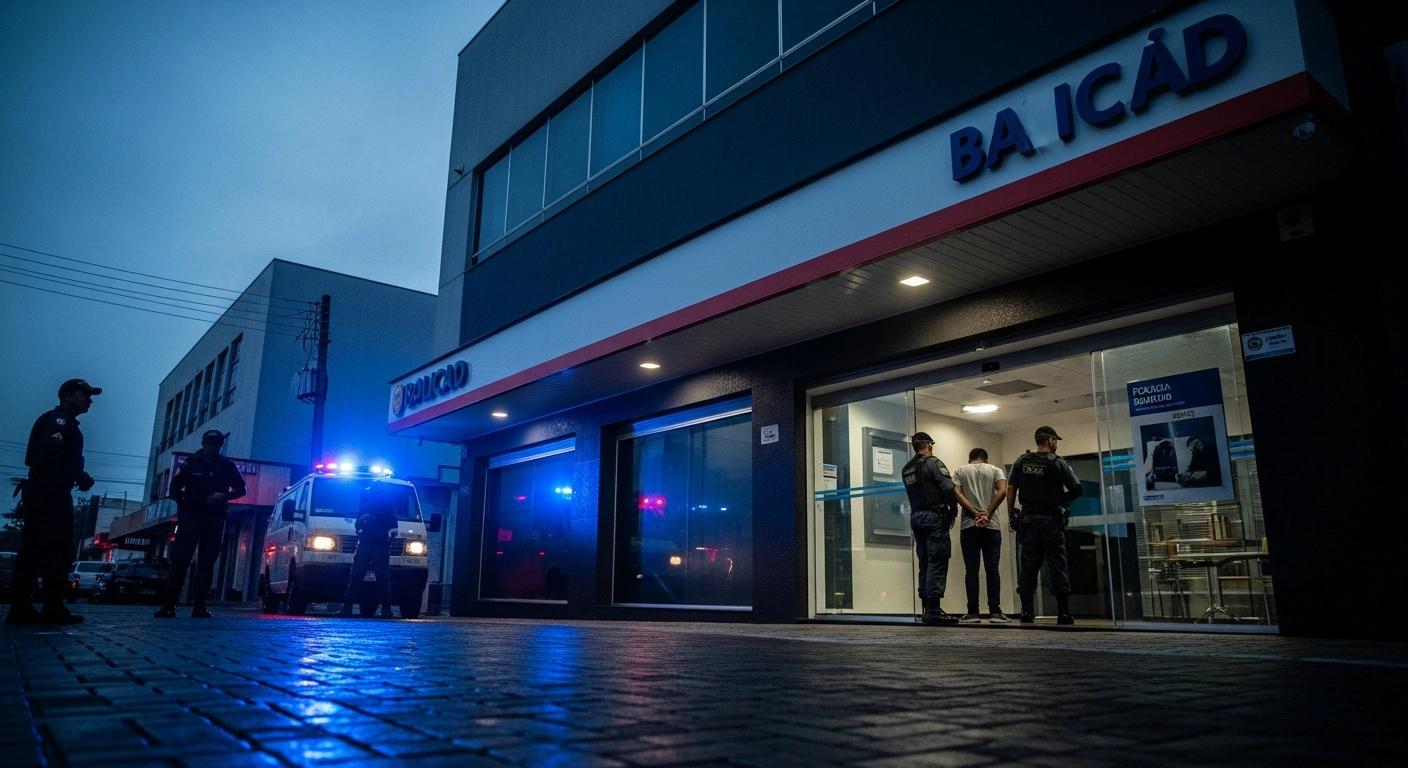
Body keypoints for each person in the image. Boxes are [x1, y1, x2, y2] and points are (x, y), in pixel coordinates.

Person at [6, 379, 100, 626]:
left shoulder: (65, 422)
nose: (89, 400)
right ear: (68, 396)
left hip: (46, 490)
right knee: (57, 551)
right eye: (85, 394)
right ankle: (49, 608)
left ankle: (23, 608)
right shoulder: (59, 421)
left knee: (36, 550)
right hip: (49, 492)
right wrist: (79, 475)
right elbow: (51, 452)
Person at [155, 430, 246, 618]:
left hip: (214, 518)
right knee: (180, 559)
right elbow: (174, 485)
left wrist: (224, 496)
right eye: (209, 443)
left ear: (220, 446)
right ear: (203, 443)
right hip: (190, 517)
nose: (212, 446)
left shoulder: (226, 465)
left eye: (216, 443)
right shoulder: (192, 462)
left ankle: (200, 606)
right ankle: (168, 605)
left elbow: (241, 488)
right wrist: (182, 503)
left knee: (207, 563)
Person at [1007, 426, 1083, 625]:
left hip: (1029, 520)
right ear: (1049, 440)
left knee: (1029, 566)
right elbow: (1077, 489)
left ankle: (1026, 611)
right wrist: (1060, 500)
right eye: (1055, 440)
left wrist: (1010, 513)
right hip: (1051, 520)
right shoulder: (1057, 463)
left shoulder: (1021, 461)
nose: (1056, 443)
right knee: (1057, 564)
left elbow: (1011, 488)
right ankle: (1063, 612)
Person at [900, 431, 960, 626]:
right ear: (928, 445)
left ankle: (926, 608)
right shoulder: (933, 463)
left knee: (924, 562)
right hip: (934, 516)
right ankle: (934, 610)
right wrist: (952, 512)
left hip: (916, 517)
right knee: (937, 559)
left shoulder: (906, 469)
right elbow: (948, 487)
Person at [952, 448, 1008, 623]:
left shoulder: (960, 471)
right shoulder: (995, 470)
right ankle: (995, 612)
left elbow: (957, 493)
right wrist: (988, 513)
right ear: (986, 458)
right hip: (991, 526)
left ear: (970, 459)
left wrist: (975, 513)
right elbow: (1003, 491)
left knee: (971, 571)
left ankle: (973, 613)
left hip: (969, 526)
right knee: (993, 570)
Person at [335, 483, 399, 618]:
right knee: (360, 576)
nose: (373, 495)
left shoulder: (385, 509)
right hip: (368, 546)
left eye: (374, 492)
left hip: (376, 546)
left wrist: (385, 537)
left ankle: (383, 609)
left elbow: (393, 529)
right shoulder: (371, 509)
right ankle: (350, 607)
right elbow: (357, 526)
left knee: (375, 577)